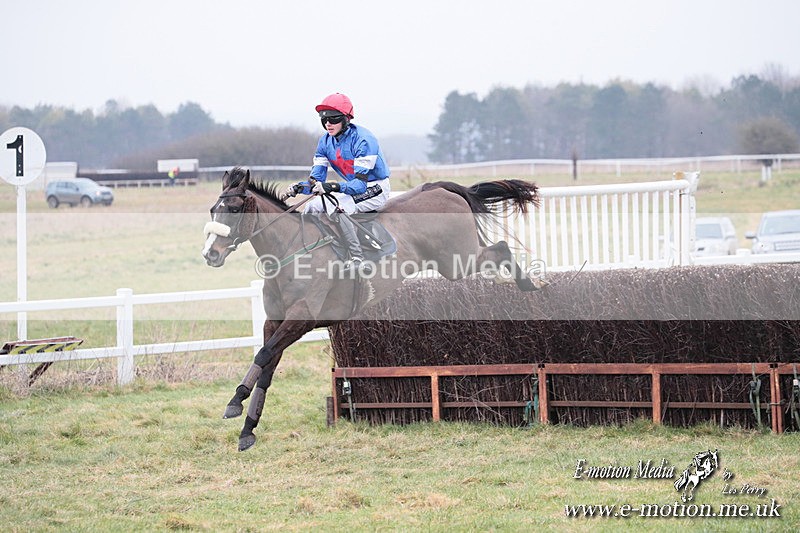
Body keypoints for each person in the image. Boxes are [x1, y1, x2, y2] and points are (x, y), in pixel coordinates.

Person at [282, 93, 391, 273]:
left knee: (337, 206)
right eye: (323, 119)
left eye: (333, 118)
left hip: (375, 187)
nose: (327, 124)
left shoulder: (364, 139)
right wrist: (301, 187)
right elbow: (316, 181)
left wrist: (332, 186)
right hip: (352, 188)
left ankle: (357, 257)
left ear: (346, 119)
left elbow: (360, 186)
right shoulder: (325, 142)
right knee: (313, 207)